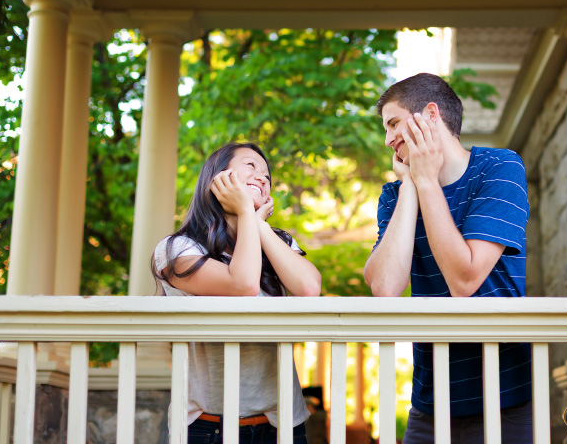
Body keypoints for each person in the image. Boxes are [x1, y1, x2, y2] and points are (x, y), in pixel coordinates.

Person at [363, 73, 532, 443]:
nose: (388, 139)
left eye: (393, 123)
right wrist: (411, 184)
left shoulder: (500, 168)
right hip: (430, 401)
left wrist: (426, 181)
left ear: (431, 114)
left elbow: (465, 279)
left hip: (505, 397)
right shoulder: (394, 195)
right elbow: (385, 287)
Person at [152, 142, 321, 444]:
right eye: (250, 167)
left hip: (283, 425)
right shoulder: (176, 249)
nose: (262, 178)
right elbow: (243, 285)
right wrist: (245, 210)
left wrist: (259, 226)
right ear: (216, 178)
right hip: (208, 428)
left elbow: (309, 288)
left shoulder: (276, 241)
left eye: (267, 176)